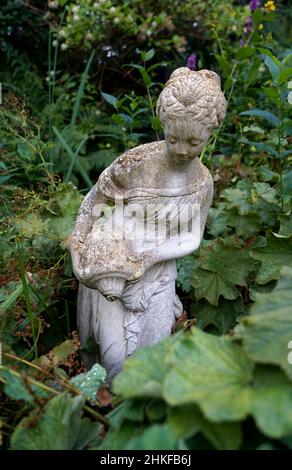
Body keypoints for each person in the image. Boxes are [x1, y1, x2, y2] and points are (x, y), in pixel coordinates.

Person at [70, 67, 227, 382]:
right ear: (164, 126)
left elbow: (192, 237)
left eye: (194, 142)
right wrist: (79, 247)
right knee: (113, 362)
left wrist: (148, 261)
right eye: (173, 139)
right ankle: (101, 414)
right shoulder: (136, 165)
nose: (182, 150)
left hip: (156, 271)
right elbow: (93, 202)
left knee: (152, 363)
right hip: (113, 265)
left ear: (211, 132)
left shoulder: (202, 182)